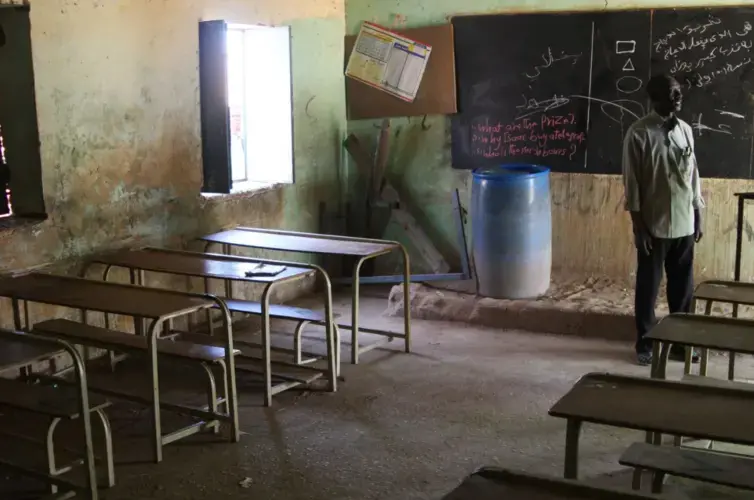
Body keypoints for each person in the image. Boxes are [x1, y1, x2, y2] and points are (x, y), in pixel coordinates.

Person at [622, 74, 704, 366]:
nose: (678, 97)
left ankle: (681, 344)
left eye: (679, 92)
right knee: (649, 286)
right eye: (671, 93)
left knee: (683, 289)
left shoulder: (685, 130)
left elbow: (693, 175)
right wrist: (638, 227)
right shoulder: (638, 133)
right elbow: (631, 185)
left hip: (683, 222)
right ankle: (645, 343)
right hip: (654, 224)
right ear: (654, 98)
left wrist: (698, 213)